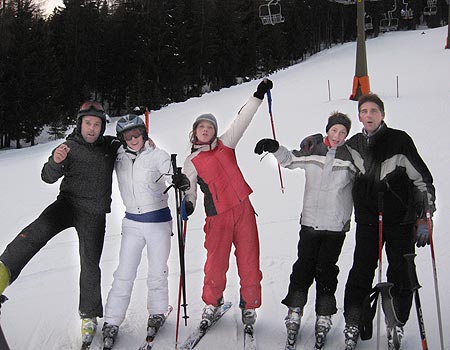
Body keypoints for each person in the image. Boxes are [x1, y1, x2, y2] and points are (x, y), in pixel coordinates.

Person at [0, 101, 122, 347]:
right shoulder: (69, 146)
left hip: (94, 213)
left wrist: (141, 138)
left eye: (96, 125)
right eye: (88, 123)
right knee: (35, 232)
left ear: (102, 128)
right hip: (67, 205)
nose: (91, 129)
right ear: (80, 124)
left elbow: (132, 145)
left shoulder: (110, 147)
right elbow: (48, 176)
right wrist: (56, 161)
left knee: (89, 263)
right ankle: (2, 273)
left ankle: (89, 315)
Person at [341, 94, 436, 350]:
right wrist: (315, 143)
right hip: (368, 222)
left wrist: (425, 216)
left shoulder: (400, 140)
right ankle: (354, 321)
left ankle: (397, 322)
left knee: (401, 273)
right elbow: (330, 162)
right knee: (361, 272)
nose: (369, 115)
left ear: (382, 114)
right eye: (364, 111)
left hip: (400, 221)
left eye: (373, 110)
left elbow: (422, 180)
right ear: (359, 116)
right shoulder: (353, 146)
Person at [254, 112, 356, 347]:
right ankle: (294, 310)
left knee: (327, 271)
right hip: (310, 223)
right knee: (303, 267)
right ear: (327, 130)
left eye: (342, 132)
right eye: (334, 131)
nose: (338, 136)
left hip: (335, 227)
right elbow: (290, 160)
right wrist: (275, 147)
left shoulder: (350, 158)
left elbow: (366, 179)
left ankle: (324, 315)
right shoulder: (314, 152)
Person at [181, 79, 272, 329]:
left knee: (250, 259)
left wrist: (257, 96)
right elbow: (189, 191)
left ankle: (250, 304)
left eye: (210, 127)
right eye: (202, 127)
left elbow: (242, 120)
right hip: (217, 217)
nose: (206, 130)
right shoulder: (192, 160)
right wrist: (188, 204)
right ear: (195, 132)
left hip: (243, 209)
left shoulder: (226, 144)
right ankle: (212, 302)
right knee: (215, 263)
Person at [101, 114, 190, 348]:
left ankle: (158, 312)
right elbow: (102, 143)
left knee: (157, 272)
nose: (133, 140)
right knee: (124, 273)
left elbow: (171, 173)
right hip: (131, 223)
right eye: (128, 136)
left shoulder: (157, 155)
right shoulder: (118, 156)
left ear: (144, 133)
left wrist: (181, 180)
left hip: (158, 222)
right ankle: (111, 320)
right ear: (122, 138)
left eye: (137, 134)